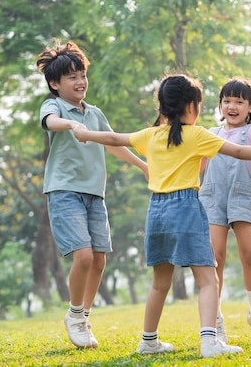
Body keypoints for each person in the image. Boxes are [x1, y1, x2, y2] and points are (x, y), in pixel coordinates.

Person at [72, 73, 251, 358]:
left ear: (162, 106)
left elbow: (113, 137)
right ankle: (210, 341)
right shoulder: (196, 135)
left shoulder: (150, 135)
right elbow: (241, 151)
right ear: (191, 107)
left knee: (160, 281)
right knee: (208, 280)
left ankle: (148, 340)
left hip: (156, 211)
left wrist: (84, 133)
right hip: (186, 207)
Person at [35, 39, 148, 349]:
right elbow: (49, 122)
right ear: (55, 84)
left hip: (94, 194)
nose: (80, 81)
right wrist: (71, 124)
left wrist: (143, 166)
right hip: (64, 190)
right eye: (71, 77)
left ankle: (83, 317)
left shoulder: (94, 113)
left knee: (99, 260)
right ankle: (73, 314)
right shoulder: (55, 106)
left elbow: (112, 143)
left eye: (82, 74)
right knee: (83, 256)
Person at [199, 78, 251, 342]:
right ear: (220, 105)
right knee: (217, 259)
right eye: (227, 101)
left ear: (250, 106)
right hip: (212, 198)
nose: (232, 106)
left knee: (249, 255)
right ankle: (216, 319)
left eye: (239, 101)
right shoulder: (210, 133)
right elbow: (198, 167)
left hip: (241, 196)